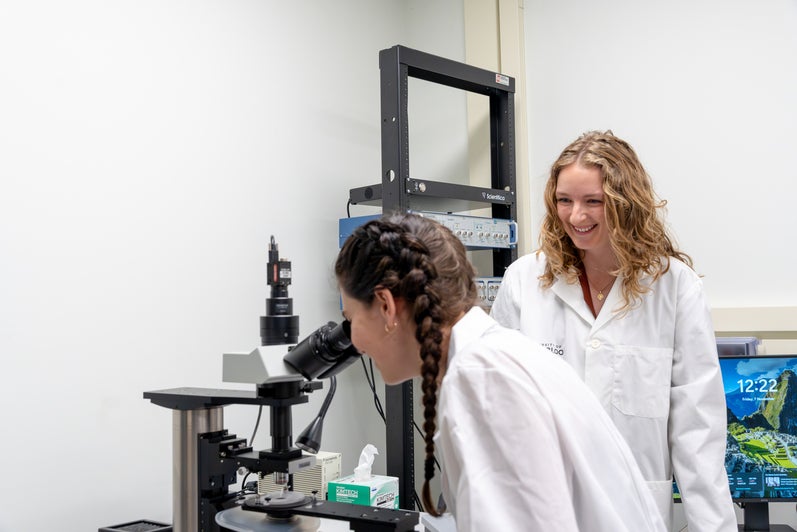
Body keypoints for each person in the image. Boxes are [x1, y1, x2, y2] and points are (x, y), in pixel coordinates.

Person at [335, 212, 665, 532]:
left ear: (386, 306)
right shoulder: (496, 355)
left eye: (352, 319)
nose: (353, 341)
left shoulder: (480, 377)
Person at [490, 130, 737, 531]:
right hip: (544, 508)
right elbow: (499, 409)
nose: (576, 216)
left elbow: (698, 432)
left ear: (626, 204)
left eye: (594, 202)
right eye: (564, 201)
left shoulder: (674, 287)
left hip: (633, 510)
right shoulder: (525, 280)